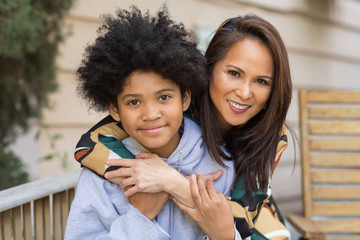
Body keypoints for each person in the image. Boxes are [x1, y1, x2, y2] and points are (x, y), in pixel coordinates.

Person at [75, 12, 292, 240]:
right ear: (209, 69)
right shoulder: (177, 104)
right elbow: (90, 145)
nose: (245, 92)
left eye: (261, 81)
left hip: (255, 217)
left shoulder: (272, 136)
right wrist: (140, 180)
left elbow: (239, 223)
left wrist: (171, 181)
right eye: (234, 73)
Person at [64, 6, 237, 240]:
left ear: (185, 98)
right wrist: (140, 215)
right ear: (114, 109)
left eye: (164, 97)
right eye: (134, 102)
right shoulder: (101, 173)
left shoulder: (218, 163)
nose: (151, 113)